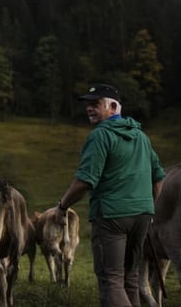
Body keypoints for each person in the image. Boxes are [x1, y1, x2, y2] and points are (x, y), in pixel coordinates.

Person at [56, 83, 164, 307]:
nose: (89, 108)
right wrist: (149, 207)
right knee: (130, 279)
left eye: (96, 104)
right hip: (142, 216)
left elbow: (85, 182)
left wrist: (63, 205)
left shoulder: (101, 136)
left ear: (113, 107)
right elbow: (158, 177)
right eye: (88, 104)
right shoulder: (141, 137)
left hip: (112, 216)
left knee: (111, 281)